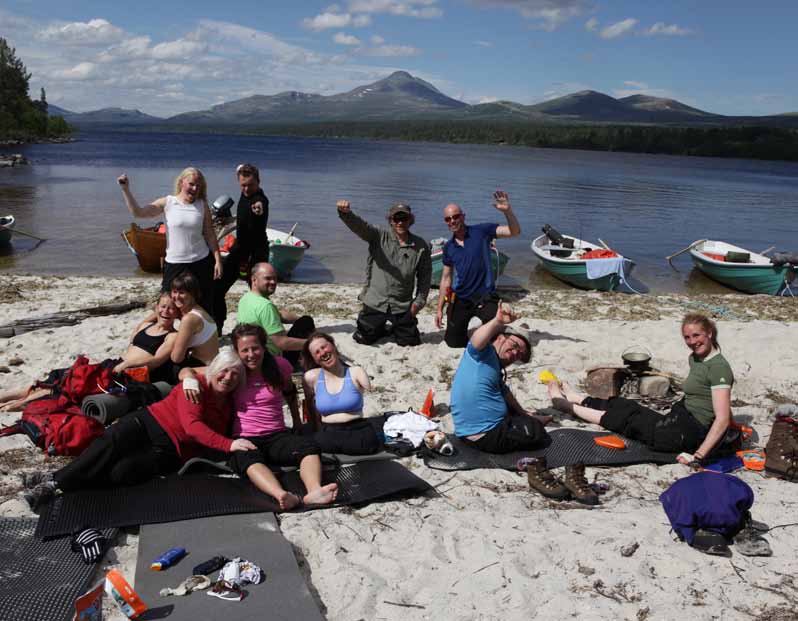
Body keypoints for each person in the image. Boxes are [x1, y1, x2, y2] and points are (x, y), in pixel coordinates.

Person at [22, 349, 255, 510]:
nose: (228, 377)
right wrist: (230, 444)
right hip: (150, 421)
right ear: (213, 370)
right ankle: (53, 485)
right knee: (109, 443)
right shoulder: (195, 387)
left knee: (121, 473)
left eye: (235, 374)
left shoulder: (230, 404)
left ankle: (53, 478)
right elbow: (193, 427)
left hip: (171, 449)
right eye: (224, 371)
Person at [450, 301, 597, 504]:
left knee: (524, 418)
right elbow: (476, 339)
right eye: (514, 347)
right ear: (500, 337)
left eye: (519, 355)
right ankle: (536, 469)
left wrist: (522, 413)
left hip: (470, 430)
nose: (515, 355)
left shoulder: (492, 363)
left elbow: (504, 391)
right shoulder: (481, 352)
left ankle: (527, 419)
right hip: (486, 435)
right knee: (538, 434)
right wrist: (497, 321)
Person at [547, 313, 733, 464]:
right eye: (687, 337)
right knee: (626, 405)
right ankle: (577, 398)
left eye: (697, 335)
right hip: (678, 419)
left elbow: (722, 417)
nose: (692, 342)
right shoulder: (696, 358)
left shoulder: (718, 369)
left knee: (627, 420)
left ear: (709, 333)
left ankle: (566, 406)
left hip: (687, 434)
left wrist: (697, 456)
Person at [0, 293, 179, 412]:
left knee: (73, 385)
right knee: (64, 376)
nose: (165, 311)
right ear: (156, 308)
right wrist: (155, 315)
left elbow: (155, 361)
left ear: (177, 313)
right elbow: (134, 340)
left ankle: (19, 404)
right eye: (162, 306)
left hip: (130, 374)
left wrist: (127, 364)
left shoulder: (172, 336)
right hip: (114, 364)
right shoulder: (146, 325)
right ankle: (12, 396)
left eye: (171, 308)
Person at [227, 324, 338, 509]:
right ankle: (282, 495)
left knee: (308, 446)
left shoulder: (280, 366)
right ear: (237, 352)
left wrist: (297, 420)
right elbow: (201, 373)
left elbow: (291, 393)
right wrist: (189, 376)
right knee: (245, 459)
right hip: (245, 437)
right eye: (244, 350)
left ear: (264, 347)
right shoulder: (232, 369)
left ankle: (314, 491)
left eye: (255, 348)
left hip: (277, 434)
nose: (251, 354)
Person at [118, 168, 222, 314]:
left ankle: (203, 335)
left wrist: (218, 260)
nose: (195, 188)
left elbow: (210, 235)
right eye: (191, 184)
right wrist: (125, 190)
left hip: (201, 262)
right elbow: (138, 213)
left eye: (198, 186)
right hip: (174, 263)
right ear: (181, 182)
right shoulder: (168, 202)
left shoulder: (202, 205)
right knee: (167, 306)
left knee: (203, 306)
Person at [337, 199, 431, 347]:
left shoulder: (421, 246)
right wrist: (346, 213)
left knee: (410, 342)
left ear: (410, 220)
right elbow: (360, 227)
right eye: (396, 219)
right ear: (391, 221)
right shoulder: (378, 236)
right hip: (376, 302)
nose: (400, 222)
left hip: (402, 305)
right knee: (363, 339)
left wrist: (418, 302)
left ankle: (393, 327)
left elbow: (425, 278)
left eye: (404, 218)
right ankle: (380, 327)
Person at [435, 191, 521, 348]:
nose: (452, 221)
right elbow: (446, 278)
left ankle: (497, 326)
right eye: (448, 219)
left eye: (456, 217)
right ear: (446, 222)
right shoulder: (449, 247)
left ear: (463, 216)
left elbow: (514, 232)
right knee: (454, 343)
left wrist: (507, 211)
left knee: (496, 339)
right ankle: (476, 331)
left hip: (485, 297)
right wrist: (440, 308)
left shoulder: (481, 231)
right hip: (461, 298)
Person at [212, 163, 269, 334]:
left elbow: (259, 207)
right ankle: (218, 325)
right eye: (242, 185)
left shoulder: (260, 199)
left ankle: (262, 328)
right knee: (218, 288)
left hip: (256, 253)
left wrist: (258, 209)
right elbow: (240, 170)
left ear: (258, 182)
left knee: (258, 294)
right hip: (239, 251)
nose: (246, 189)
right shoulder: (244, 194)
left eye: (250, 185)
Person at [301, 332, 381, 455]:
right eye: (317, 352)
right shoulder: (311, 378)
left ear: (333, 346)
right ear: (314, 359)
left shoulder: (355, 372)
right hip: (328, 432)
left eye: (324, 347)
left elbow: (371, 388)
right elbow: (310, 408)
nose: (322, 353)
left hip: (356, 431)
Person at [236, 262, 315, 369]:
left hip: (252, 353)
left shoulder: (246, 298)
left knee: (305, 321)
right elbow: (281, 343)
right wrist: (312, 343)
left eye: (275, 278)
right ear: (254, 280)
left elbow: (280, 315)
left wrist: (298, 319)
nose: (273, 282)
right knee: (308, 325)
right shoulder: (265, 306)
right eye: (267, 278)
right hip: (271, 361)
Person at [170, 271, 220, 371]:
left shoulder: (189, 319)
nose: (177, 297)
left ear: (193, 294)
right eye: (174, 292)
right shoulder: (199, 309)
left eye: (182, 292)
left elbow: (176, 358)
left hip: (204, 368)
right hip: (213, 362)